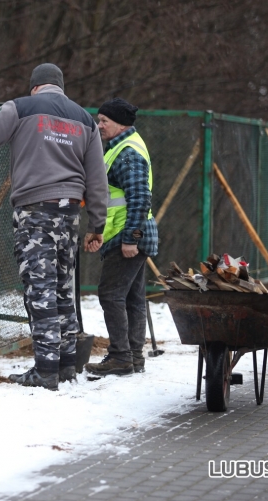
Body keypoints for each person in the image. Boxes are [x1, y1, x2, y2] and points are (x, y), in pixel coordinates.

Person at [0, 63, 108, 391]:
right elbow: (97, 178)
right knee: (63, 287)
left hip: (35, 212)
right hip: (69, 214)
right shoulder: (85, 119)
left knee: (41, 290)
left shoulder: (20, 107)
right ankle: (65, 366)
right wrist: (97, 224)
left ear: (35, 86)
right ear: (60, 87)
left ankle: (46, 370)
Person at [84, 98, 158, 377]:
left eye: (104, 121)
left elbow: (140, 197)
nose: (99, 125)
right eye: (99, 119)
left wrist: (131, 238)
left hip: (129, 236)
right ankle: (133, 356)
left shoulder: (127, 152)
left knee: (111, 294)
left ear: (120, 123)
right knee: (132, 297)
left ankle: (120, 357)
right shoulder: (120, 147)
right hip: (122, 233)